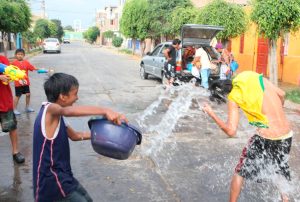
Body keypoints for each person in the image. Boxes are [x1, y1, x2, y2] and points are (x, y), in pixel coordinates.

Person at [33, 73, 128, 202]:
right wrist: (105, 110)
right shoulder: (51, 110)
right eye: (75, 94)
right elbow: (68, 111)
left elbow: (76, 136)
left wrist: (106, 136)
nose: (77, 98)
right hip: (52, 181)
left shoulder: (57, 117)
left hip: (64, 176)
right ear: (63, 96)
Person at [202, 71, 293, 202]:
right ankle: (285, 199)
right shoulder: (255, 77)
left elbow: (231, 131)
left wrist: (211, 113)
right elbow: (282, 94)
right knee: (279, 167)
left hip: (267, 137)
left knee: (240, 171)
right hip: (287, 135)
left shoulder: (234, 96)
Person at [0, 54, 25, 164]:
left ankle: (15, 152)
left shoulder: (2, 59)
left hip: (4, 100)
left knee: (12, 127)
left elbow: (10, 74)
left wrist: (10, 76)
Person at [11, 48, 39, 115]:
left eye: (21, 54)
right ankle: (14, 109)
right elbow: (9, 71)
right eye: (18, 54)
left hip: (26, 82)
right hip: (18, 83)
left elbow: (32, 67)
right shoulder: (13, 63)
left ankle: (27, 107)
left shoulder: (26, 62)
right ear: (15, 55)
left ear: (24, 55)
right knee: (18, 96)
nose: (20, 55)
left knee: (28, 94)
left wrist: (38, 69)